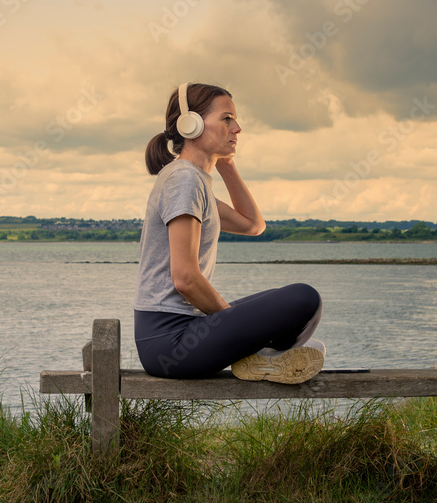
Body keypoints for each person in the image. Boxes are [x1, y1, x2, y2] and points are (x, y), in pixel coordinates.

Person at [133, 82, 324, 383]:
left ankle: (267, 360)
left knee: (285, 299)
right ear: (191, 124)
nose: (238, 128)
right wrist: (231, 322)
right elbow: (185, 278)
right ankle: (262, 357)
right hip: (171, 345)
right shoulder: (184, 181)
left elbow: (253, 225)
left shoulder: (194, 181)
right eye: (227, 119)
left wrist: (226, 165)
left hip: (179, 335)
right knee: (304, 298)